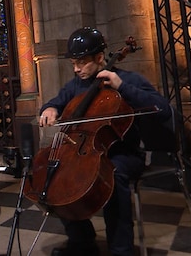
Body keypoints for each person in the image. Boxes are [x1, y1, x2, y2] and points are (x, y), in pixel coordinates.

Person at [38, 27, 171, 256]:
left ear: (100, 58)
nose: (77, 69)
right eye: (73, 64)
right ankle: (82, 241)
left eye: (82, 62)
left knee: (114, 175)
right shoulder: (75, 86)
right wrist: (49, 108)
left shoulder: (127, 79)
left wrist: (122, 87)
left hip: (124, 153)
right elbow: (57, 101)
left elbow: (163, 109)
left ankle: (121, 250)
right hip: (85, 152)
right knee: (51, 176)